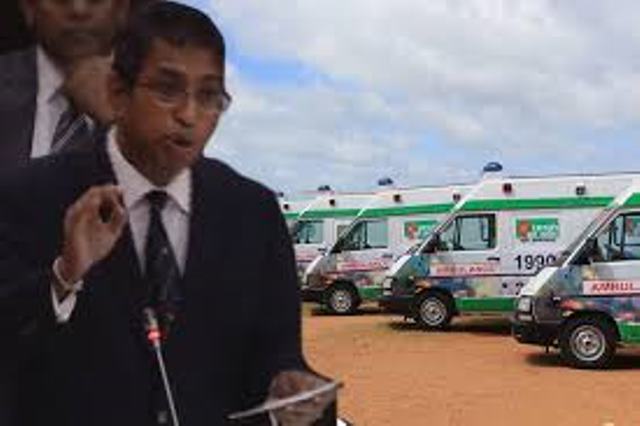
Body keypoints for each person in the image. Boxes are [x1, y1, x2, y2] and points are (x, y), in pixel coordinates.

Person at [0, 2, 334, 425]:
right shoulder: (32, 197)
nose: (189, 116)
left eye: (209, 96)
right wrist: (63, 277)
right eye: (167, 89)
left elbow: (279, 362)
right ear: (117, 92)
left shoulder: (255, 214)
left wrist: (295, 393)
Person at [0, 0, 129, 167]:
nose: (78, 10)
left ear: (122, 7)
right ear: (29, 8)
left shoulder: (152, 91)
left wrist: (114, 123)